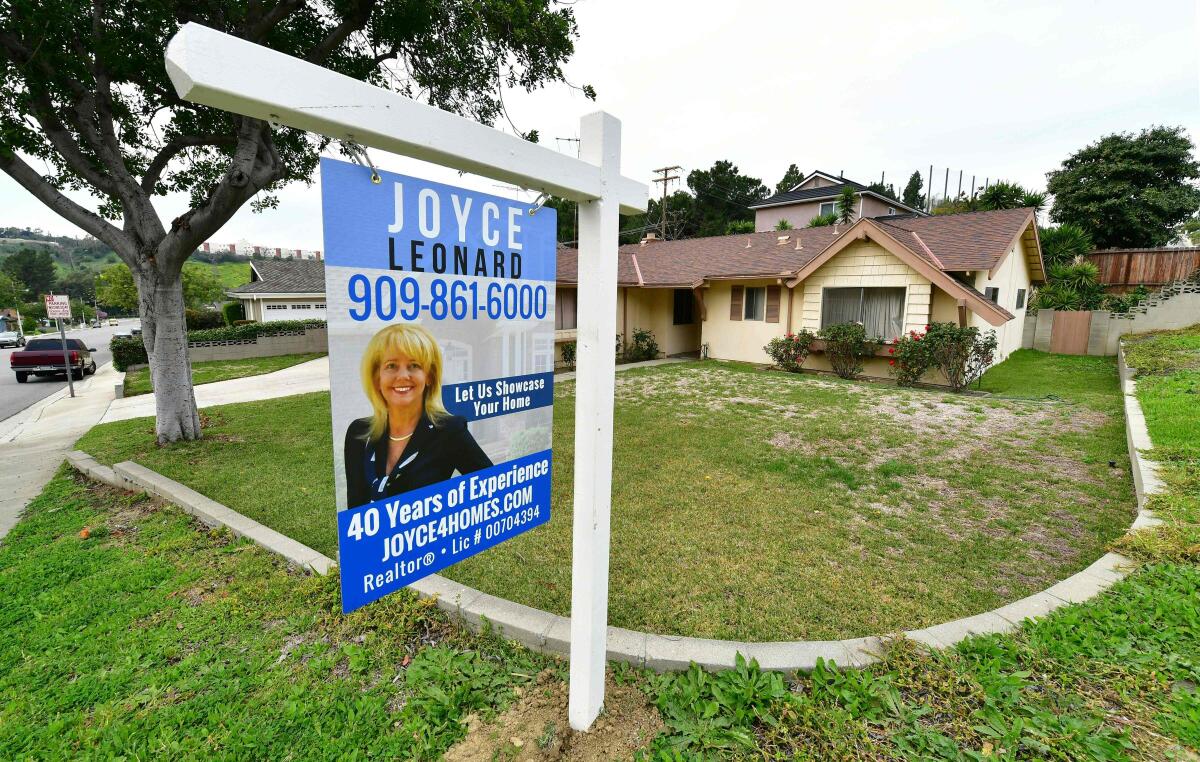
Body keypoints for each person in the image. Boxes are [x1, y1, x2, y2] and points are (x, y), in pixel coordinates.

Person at [344, 324, 492, 509]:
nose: (403, 375)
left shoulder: (448, 430)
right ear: (377, 378)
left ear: (429, 376)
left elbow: (493, 488)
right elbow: (355, 509)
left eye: (414, 365)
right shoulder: (359, 433)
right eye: (391, 366)